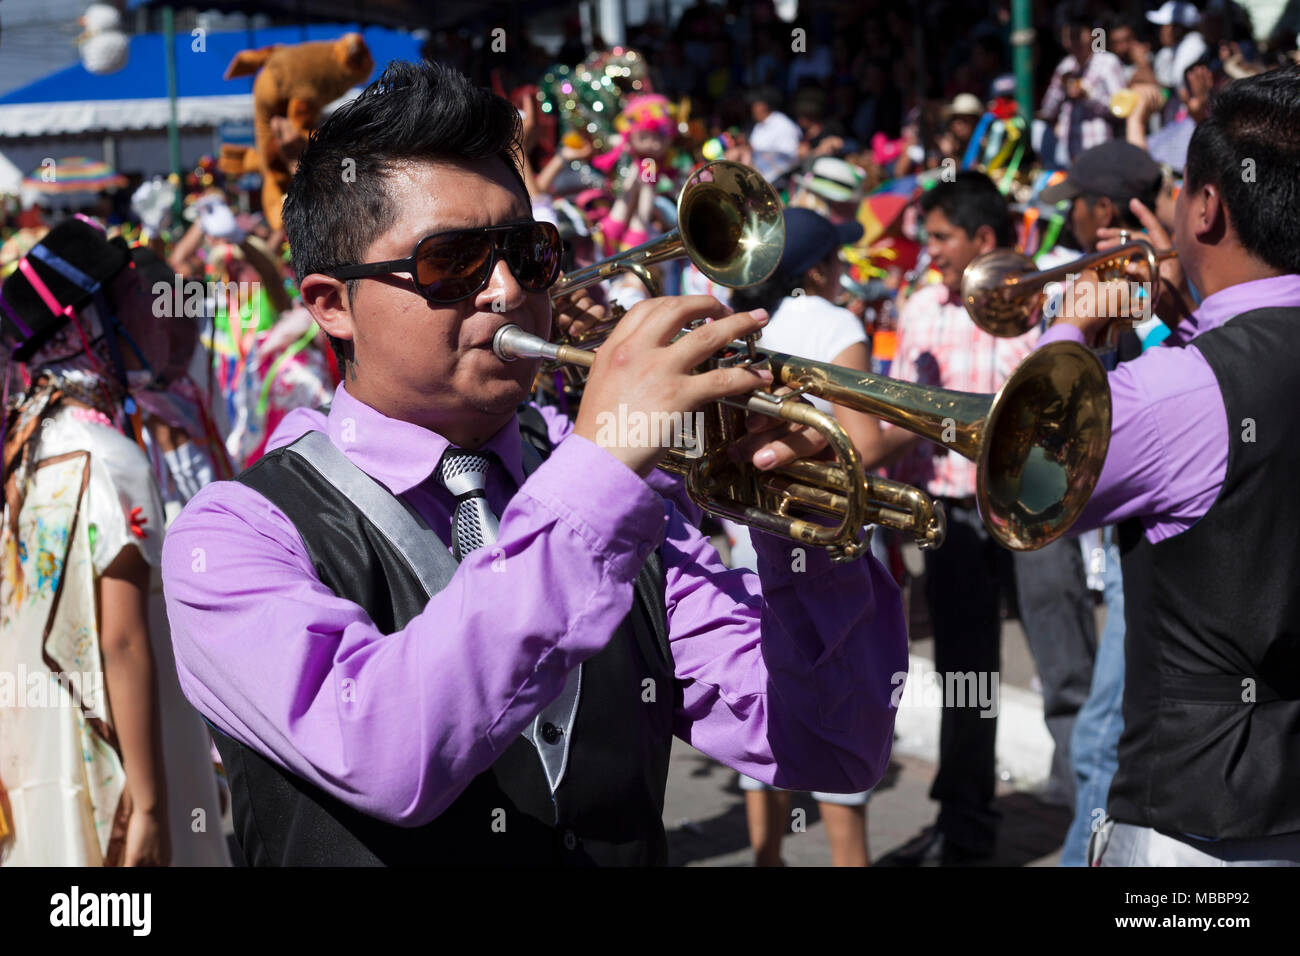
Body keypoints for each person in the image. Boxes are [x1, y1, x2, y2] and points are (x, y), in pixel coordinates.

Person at [161, 60, 908, 867]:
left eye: (529, 251)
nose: (509, 289)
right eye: (453, 261)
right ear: (331, 304)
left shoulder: (614, 494)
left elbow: (832, 747)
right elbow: (381, 752)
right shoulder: (230, 537)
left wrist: (809, 545)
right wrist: (601, 471)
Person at [1044, 63, 1300, 866]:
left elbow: (1028, 492)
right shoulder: (1191, 372)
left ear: (1208, 206)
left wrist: (1069, 332)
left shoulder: (1175, 390)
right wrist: (1193, 327)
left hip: (1195, 822)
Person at [863, 172, 1094, 864]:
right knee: (970, 680)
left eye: (941, 238)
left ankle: (1094, 821)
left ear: (983, 240)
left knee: (1068, 668)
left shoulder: (1049, 303)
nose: (929, 250)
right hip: (956, 515)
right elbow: (903, 410)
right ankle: (964, 829)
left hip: (1039, 512)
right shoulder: (921, 308)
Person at [0, 220, 227, 866]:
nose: (159, 314)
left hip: (46, 753)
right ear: (91, 323)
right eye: (132, 297)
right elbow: (122, 639)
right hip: (130, 764)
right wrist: (153, 806)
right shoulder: (109, 458)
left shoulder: (30, 451)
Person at [728, 207, 880, 866]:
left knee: (766, 709)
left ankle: (768, 857)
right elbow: (865, 443)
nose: (846, 270)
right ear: (816, 269)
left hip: (750, 543)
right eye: (837, 259)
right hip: (826, 546)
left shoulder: (740, 325)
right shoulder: (837, 322)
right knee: (846, 715)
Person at [1040, 2, 1129, 165]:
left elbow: (1121, 110)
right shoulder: (1064, 67)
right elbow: (1047, 111)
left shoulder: (1107, 63)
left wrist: (1089, 96)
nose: (1072, 42)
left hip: (1101, 152)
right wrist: (1060, 88)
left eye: (1077, 35)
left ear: (1091, 35)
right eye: (1068, 37)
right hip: (1070, 155)